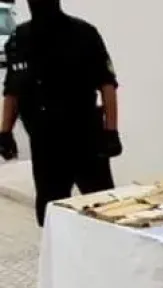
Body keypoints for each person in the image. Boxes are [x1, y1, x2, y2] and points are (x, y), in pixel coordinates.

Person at [0, 0, 122, 227]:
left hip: (85, 136)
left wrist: (111, 131)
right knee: (51, 214)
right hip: (45, 143)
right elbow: (12, 90)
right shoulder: (20, 38)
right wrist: (5, 132)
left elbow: (107, 84)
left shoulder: (84, 33)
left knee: (104, 208)